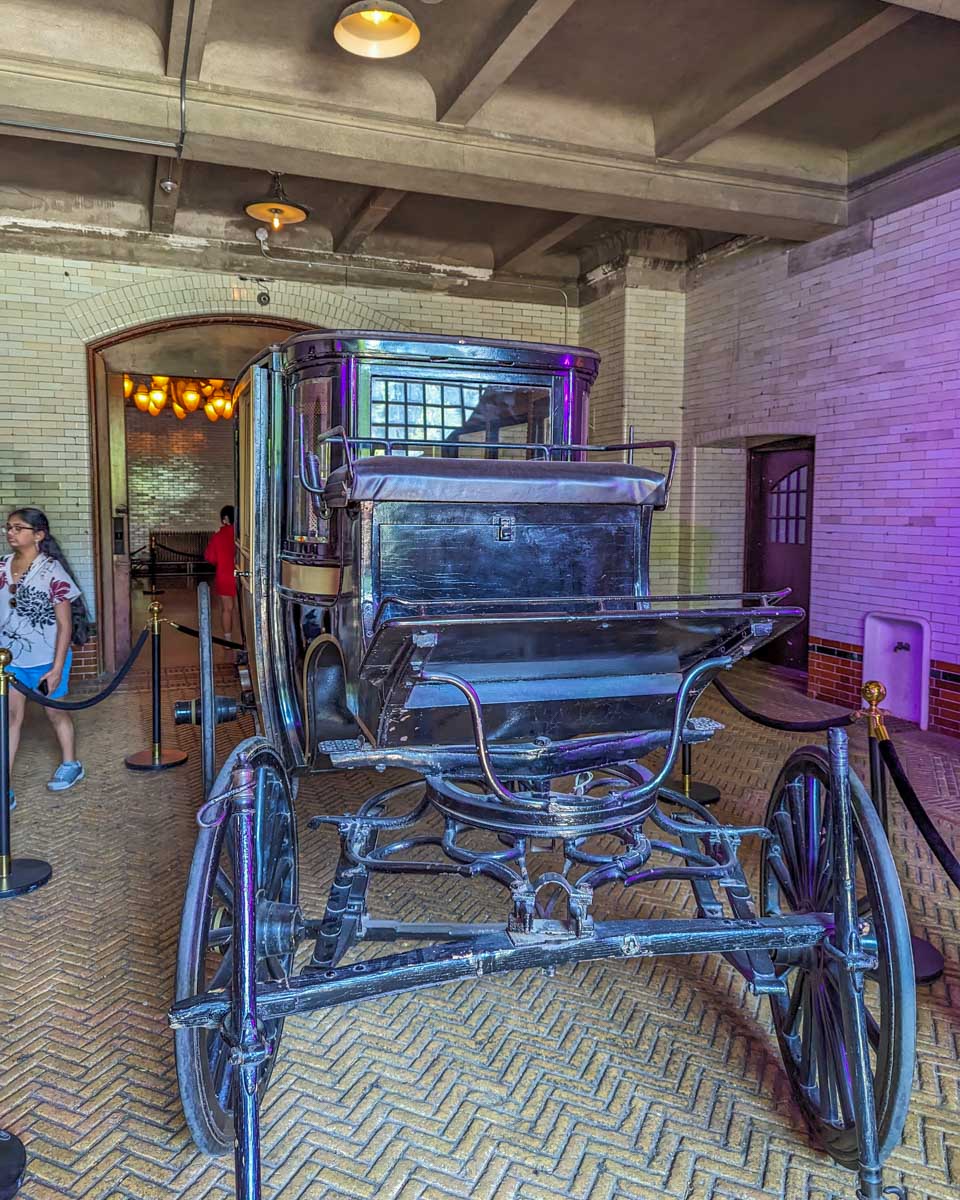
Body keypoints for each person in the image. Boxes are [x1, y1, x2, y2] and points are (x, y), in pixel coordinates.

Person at [0, 508, 85, 801]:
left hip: (47, 658)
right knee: (11, 718)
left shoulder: (52, 570)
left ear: (38, 535)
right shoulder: (2, 566)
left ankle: (71, 763)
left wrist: (57, 667)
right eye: (8, 527)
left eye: (18, 528)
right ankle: (4, 787)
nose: (11, 533)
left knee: (55, 712)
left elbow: (64, 624)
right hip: (11, 659)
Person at [204, 505, 237, 642]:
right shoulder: (242, 536)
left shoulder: (218, 536)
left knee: (227, 609)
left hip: (224, 575)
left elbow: (210, 557)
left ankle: (228, 640)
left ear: (225, 519)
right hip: (243, 575)